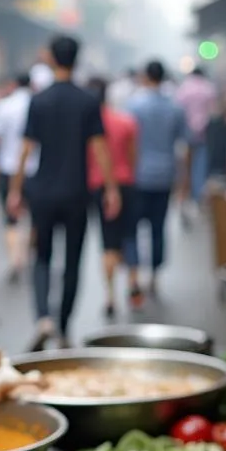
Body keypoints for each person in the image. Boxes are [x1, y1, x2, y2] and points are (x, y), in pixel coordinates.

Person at [8, 35, 119, 350]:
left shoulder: (39, 100)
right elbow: (100, 149)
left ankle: (43, 317)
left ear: (52, 59)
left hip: (42, 191)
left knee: (41, 256)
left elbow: (26, 150)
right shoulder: (87, 101)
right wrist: (111, 189)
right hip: (76, 193)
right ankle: (64, 324)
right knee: (73, 260)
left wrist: (15, 190)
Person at [125, 60, 188, 305]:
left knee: (131, 229)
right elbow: (183, 146)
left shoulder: (133, 106)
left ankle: (134, 276)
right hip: (164, 176)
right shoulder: (174, 107)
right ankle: (154, 276)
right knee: (158, 228)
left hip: (137, 176)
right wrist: (184, 181)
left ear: (144, 77)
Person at [86, 76, 137, 319]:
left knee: (107, 242)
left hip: (97, 186)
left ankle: (110, 295)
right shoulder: (124, 122)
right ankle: (133, 280)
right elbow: (132, 155)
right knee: (129, 234)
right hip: (125, 182)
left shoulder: (84, 127)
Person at [0, 72, 36, 281]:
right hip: (35, 168)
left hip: (8, 166)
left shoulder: (2, 106)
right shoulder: (38, 104)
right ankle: (26, 253)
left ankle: (15, 258)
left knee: (11, 216)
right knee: (34, 217)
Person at [174, 66, 218, 213]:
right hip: (204, 132)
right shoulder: (208, 88)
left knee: (185, 166)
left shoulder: (184, 88)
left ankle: (185, 195)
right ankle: (198, 194)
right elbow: (213, 111)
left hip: (186, 132)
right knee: (201, 164)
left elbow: (178, 110)